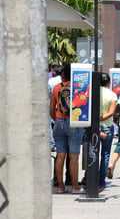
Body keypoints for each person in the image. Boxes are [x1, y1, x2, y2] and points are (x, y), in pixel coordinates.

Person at [50, 64, 84, 193]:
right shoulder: (77, 88)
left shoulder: (56, 88)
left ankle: (60, 186)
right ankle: (75, 186)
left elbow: (51, 109)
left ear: (63, 74)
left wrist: (57, 119)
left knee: (60, 155)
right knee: (74, 156)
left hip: (59, 122)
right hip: (73, 122)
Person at [98, 72, 118, 190]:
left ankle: (90, 179)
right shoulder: (112, 95)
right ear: (109, 82)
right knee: (105, 154)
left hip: (94, 127)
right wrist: (101, 118)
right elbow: (111, 112)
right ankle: (101, 182)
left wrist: (95, 120)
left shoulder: (93, 93)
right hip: (107, 126)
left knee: (92, 153)